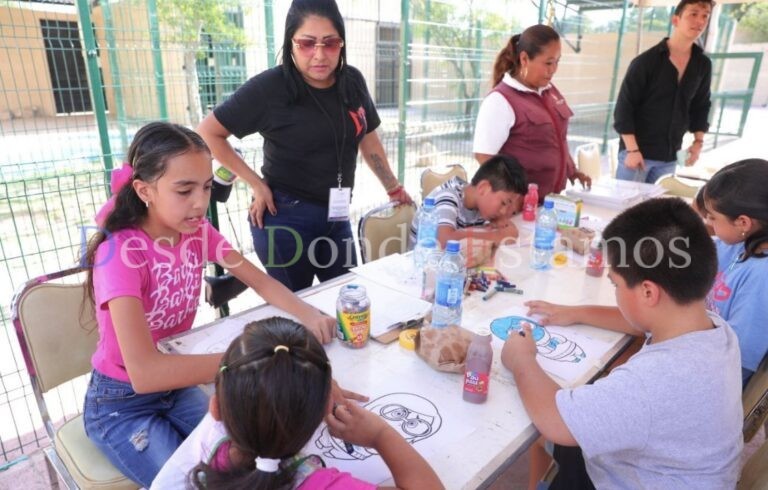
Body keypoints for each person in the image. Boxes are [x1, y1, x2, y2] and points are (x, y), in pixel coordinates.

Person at [81, 122, 338, 487]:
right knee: (195, 483)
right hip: (122, 405)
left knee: (258, 455)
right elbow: (145, 373)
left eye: (205, 187)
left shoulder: (197, 232)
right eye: (184, 190)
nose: (200, 203)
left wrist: (309, 314)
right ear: (144, 190)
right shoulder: (121, 254)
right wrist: (256, 365)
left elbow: (261, 281)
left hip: (177, 386)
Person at [503, 197, 743, 488]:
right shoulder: (713, 328)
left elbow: (555, 421)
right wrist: (575, 312)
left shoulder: (652, 383)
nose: (614, 290)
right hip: (675, 470)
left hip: (630, 480)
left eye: (615, 284)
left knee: (542, 427)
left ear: (647, 293)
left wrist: (522, 358)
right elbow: (642, 324)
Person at [197, 0, 412, 294]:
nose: (320, 54)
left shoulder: (352, 82)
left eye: (331, 43)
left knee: (348, 300)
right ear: (291, 43)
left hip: (336, 217)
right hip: (285, 218)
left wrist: (393, 187)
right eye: (307, 43)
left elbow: (368, 136)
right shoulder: (270, 88)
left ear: (341, 44)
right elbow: (208, 132)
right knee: (297, 314)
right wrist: (256, 184)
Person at [151, 317, 443, 490]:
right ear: (322, 416)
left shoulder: (215, 455)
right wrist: (381, 435)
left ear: (215, 408)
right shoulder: (325, 485)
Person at [473, 24, 591, 202]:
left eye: (557, 62)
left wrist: (571, 170)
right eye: (548, 63)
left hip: (550, 201)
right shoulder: (501, 100)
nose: (553, 70)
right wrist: (511, 197)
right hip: (521, 206)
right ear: (524, 59)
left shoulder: (550, 90)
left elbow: (559, 137)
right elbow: (484, 156)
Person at [614, 0, 713, 183]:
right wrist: (632, 150)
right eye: (693, 14)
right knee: (627, 210)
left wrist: (698, 142)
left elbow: (701, 105)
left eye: (705, 16)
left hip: (670, 158)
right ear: (675, 20)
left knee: (658, 211)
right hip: (636, 154)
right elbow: (623, 109)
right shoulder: (645, 62)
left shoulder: (703, 64)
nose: (700, 21)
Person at [409, 154, 527, 251]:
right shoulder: (448, 197)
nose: (504, 212)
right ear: (483, 188)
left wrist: (496, 226)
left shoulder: (482, 206)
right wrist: (498, 235)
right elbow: (444, 242)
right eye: (504, 203)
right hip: (423, 269)